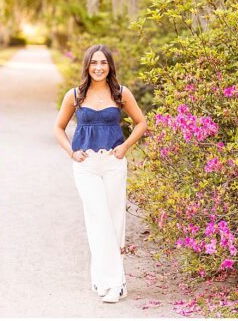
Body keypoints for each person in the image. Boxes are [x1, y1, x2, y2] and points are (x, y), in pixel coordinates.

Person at [54, 44, 148, 304]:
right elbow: (59, 128)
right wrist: (72, 153)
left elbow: (141, 123)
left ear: (109, 66)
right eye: (93, 62)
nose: (98, 67)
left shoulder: (120, 93)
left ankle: (106, 279)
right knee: (98, 219)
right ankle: (111, 284)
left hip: (113, 163)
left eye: (103, 63)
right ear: (87, 66)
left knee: (114, 220)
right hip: (86, 166)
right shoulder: (74, 95)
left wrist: (125, 147)